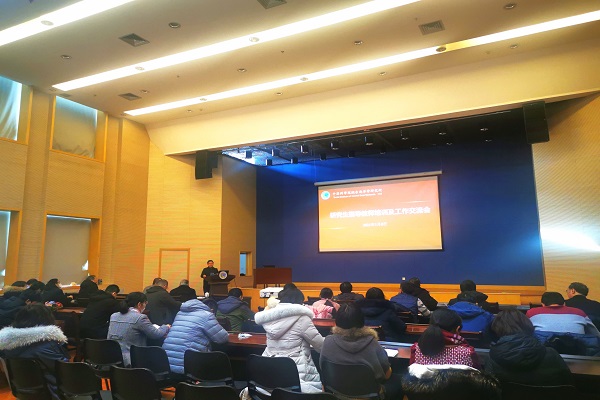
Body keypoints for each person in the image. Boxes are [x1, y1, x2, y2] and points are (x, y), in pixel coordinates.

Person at [320, 303, 403, 400]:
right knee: (400, 379)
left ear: (337, 321)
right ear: (362, 321)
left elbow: (322, 369)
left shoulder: (328, 342)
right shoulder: (373, 344)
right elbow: (387, 375)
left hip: (337, 395)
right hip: (371, 396)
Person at [254, 287, 324, 393]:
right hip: (297, 376)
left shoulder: (270, 318)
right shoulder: (302, 318)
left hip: (270, 374)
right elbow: (320, 345)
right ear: (299, 302)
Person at [485, 309, 571, 386]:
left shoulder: (492, 358)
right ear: (528, 325)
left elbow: (490, 390)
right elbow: (568, 386)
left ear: (496, 329)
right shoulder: (551, 354)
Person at [162, 298, 229, 375]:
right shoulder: (207, 315)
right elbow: (222, 338)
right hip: (189, 367)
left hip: (167, 365)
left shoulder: (180, 313)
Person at [0, 304, 69, 372]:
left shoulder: (7, 342)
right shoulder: (47, 344)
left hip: (18, 379)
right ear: (48, 319)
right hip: (49, 378)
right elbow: (65, 369)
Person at [107, 292, 170, 366]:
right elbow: (156, 334)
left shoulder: (114, 316)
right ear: (139, 304)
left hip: (112, 358)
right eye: (145, 303)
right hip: (132, 360)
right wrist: (166, 327)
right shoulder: (140, 317)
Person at [410, 308, 479, 368]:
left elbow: (412, 373)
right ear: (457, 329)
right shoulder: (468, 353)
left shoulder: (416, 350)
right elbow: (476, 374)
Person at [526, 291, 600, 336]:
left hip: (544, 352)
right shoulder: (579, 312)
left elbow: (524, 334)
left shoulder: (532, 312)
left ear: (542, 304)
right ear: (564, 304)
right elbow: (596, 334)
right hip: (577, 352)